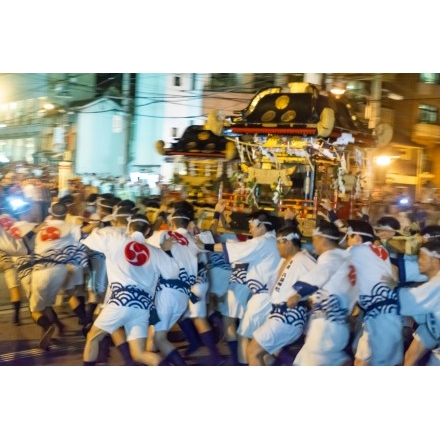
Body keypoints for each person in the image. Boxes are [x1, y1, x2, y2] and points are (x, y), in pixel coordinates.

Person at [81, 213, 180, 366]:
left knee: (93, 338)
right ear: (147, 232)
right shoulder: (156, 252)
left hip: (120, 302)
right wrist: (166, 251)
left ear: (129, 227)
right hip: (142, 307)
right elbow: (173, 273)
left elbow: (88, 237)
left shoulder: (115, 240)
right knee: (140, 354)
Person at [202, 205, 281, 365]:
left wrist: (204, 246)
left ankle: (241, 365)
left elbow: (234, 249)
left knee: (245, 335)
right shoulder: (273, 241)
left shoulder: (261, 242)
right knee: (261, 342)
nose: (250, 231)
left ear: (262, 226)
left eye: (252, 227)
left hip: (260, 296)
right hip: (266, 295)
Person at [286, 220, 358, 366]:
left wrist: (299, 293)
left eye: (314, 240)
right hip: (336, 325)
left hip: (325, 328)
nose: (313, 244)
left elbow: (322, 273)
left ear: (322, 239)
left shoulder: (330, 257)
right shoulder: (346, 258)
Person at [247, 225, 317, 366]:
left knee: (253, 351)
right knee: (269, 355)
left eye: (279, 242)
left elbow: (323, 277)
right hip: (279, 316)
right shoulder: (285, 260)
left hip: (288, 317)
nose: (277, 247)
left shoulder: (303, 259)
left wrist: (305, 298)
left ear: (288, 242)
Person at [146, 208, 201, 366]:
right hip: (183, 295)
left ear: (171, 223)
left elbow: (141, 242)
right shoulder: (193, 240)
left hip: (167, 293)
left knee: (159, 337)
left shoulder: (163, 235)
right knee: (153, 336)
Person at [343, 219, 402, 366]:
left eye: (348, 237)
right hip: (385, 313)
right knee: (361, 358)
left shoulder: (356, 251)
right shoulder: (381, 250)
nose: (346, 242)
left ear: (357, 237)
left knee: (368, 361)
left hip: (380, 316)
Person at [397, 240, 440, 366]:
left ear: (436, 263)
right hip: (432, 327)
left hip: (434, 329)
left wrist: (390, 290)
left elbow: (409, 300)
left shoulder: (437, 284)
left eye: (422, 257)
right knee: (410, 356)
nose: (418, 261)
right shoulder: (433, 279)